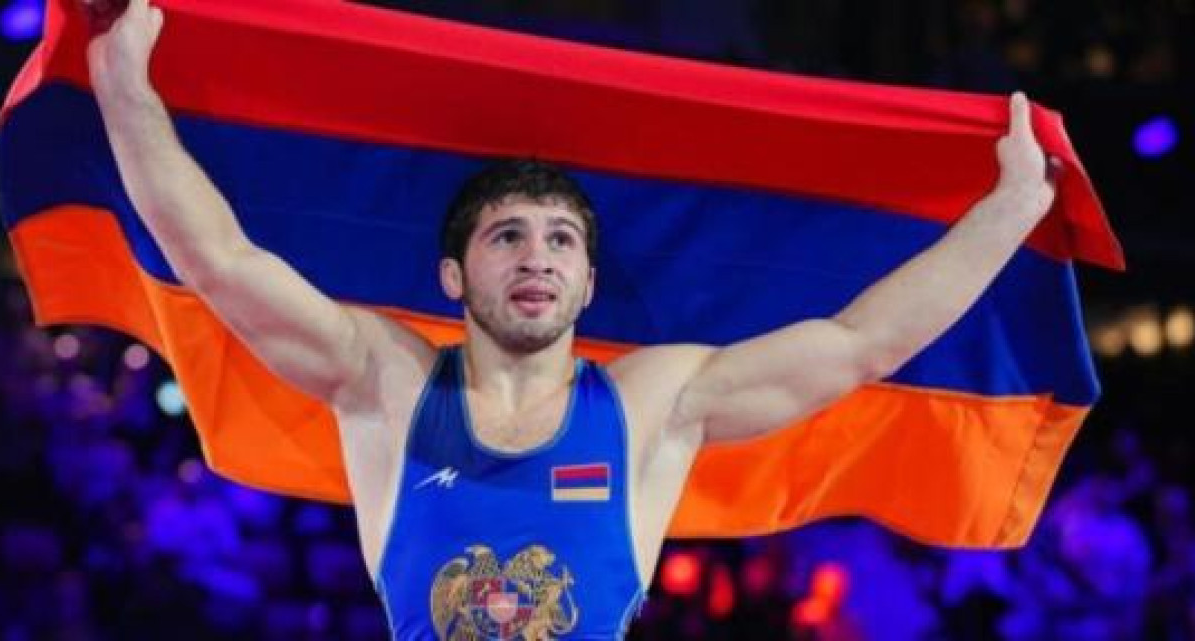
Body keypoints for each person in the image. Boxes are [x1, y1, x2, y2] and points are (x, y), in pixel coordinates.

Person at [84, 0, 1059, 637]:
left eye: (559, 240)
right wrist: (124, 87)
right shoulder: (388, 381)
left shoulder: (651, 405)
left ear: (588, 284)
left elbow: (861, 344)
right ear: (453, 275)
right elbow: (219, 261)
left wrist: (1011, 208)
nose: (536, 256)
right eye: (506, 236)